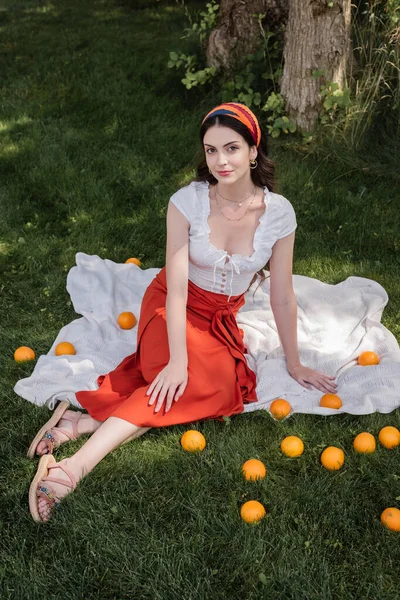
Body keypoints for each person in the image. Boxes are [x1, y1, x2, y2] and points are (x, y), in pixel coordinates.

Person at [28, 102, 337, 523]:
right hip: (171, 307)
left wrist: (295, 361)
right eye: (211, 151)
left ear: (252, 150)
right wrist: (177, 359)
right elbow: (174, 290)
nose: (221, 161)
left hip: (218, 318)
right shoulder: (187, 203)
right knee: (186, 382)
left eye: (231, 148)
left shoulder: (278, 214)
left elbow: (282, 295)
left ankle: (81, 423)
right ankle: (74, 467)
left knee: (219, 387)